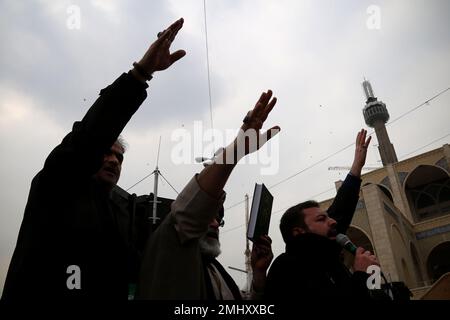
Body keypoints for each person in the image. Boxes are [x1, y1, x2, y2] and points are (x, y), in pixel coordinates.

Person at [2, 18, 186, 300]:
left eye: (120, 158)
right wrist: (140, 74)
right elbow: (89, 137)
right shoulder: (56, 185)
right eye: (107, 152)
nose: (114, 161)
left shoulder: (122, 213)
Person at [137, 90, 279, 300]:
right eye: (208, 217)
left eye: (218, 219)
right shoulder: (170, 249)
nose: (214, 224)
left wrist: (258, 276)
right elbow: (186, 216)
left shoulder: (216, 272)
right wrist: (237, 150)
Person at [265, 129, 379, 300]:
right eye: (321, 219)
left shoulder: (330, 261)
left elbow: (341, 209)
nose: (333, 221)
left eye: (328, 217)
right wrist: (361, 276)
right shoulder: (288, 269)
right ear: (299, 232)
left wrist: (357, 165)